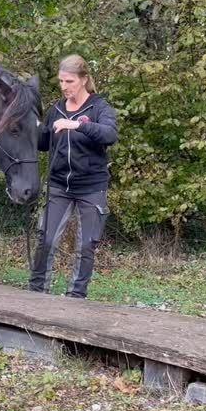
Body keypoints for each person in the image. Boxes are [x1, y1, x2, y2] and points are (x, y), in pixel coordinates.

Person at [29, 54, 118, 299]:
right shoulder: (56, 109)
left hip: (91, 187)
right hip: (59, 186)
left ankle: (76, 297)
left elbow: (110, 134)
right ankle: (36, 294)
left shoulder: (98, 107)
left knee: (86, 245)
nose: (64, 86)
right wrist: (31, 127)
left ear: (83, 79)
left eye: (69, 81)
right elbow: (44, 143)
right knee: (46, 240)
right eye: (61, 81)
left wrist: (77, 124)